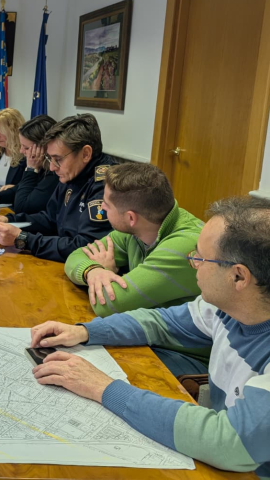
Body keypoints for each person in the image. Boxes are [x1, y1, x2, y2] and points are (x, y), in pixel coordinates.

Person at [29, 196, 270, 476]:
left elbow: (229, 442)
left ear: (239, 277)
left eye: (200, 258)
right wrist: (85, 331)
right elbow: (161, 322)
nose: (192, 262)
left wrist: (102, 387)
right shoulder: (226, 308)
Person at [65, 163, 204, 317]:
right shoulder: (138, 228)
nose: (102, 207)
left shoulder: (184, 246)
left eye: (107, 204)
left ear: (131, 218)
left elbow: (108, 304)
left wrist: (107, 272)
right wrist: (94, 270)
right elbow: (76, 256)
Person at [0, 113, 114, 262]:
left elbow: (86, 247)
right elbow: (50, 218)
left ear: (85, 154)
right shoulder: (72, 172)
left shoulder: (106, 186)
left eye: (57, 159)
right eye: (50, 158)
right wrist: (9, 220)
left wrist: (23, 239)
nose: (51, 167)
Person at [0, 114, 59, 213]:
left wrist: (31, 169)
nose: (21, 151)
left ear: (44, 148)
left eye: (26, 148)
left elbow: (22, 207)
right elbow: (18, 188)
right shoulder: (42, 168)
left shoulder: (54, 173)